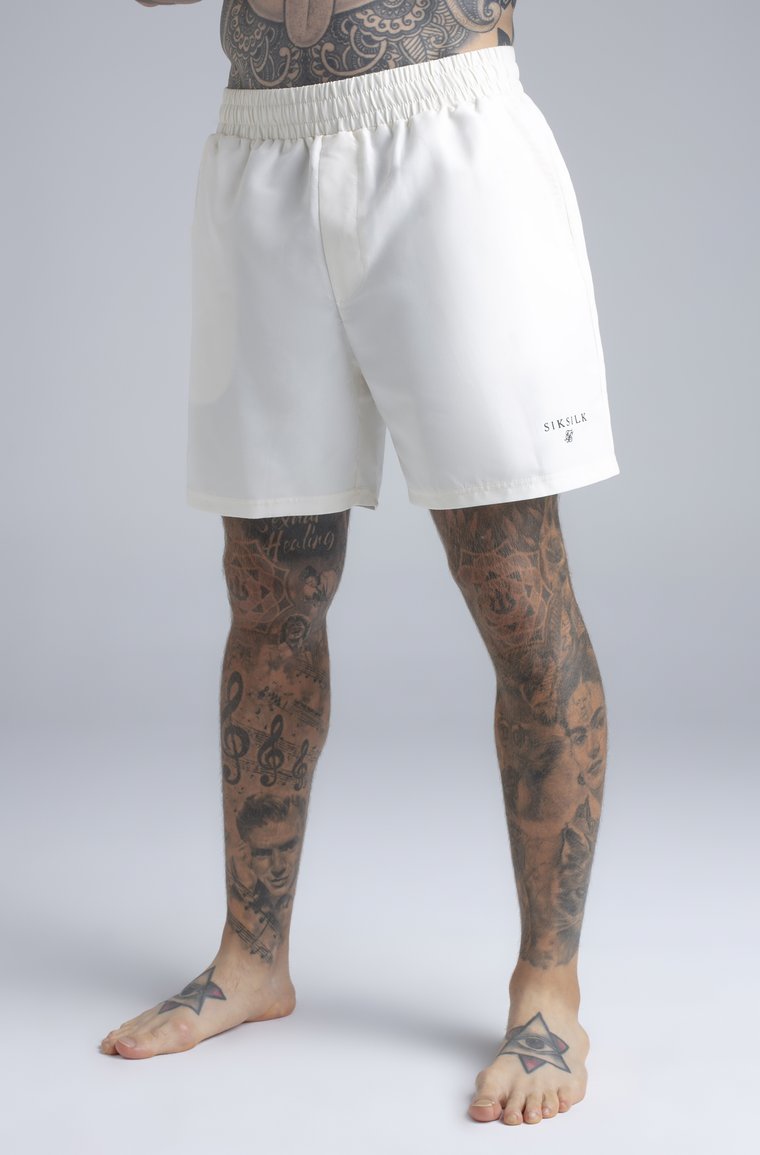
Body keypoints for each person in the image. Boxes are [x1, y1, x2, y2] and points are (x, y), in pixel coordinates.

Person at [101, 0, 621, 1129]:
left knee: (514, 582)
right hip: (259, 149)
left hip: (443, 136)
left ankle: (549, 987)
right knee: (269, 592)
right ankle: (252, 957)